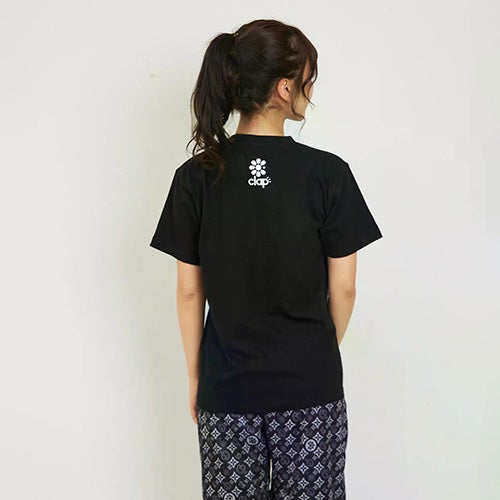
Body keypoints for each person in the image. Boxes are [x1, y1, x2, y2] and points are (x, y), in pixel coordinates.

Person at [150, 19, 383, 500]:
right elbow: (344, 287)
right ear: (284, 87)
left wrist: (196, 377)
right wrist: (319, 351)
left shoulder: (195, 177)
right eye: (308, 79)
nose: (310, 91)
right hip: (310, 389)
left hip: (227, 392)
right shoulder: (328, 174)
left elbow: (190, 291)